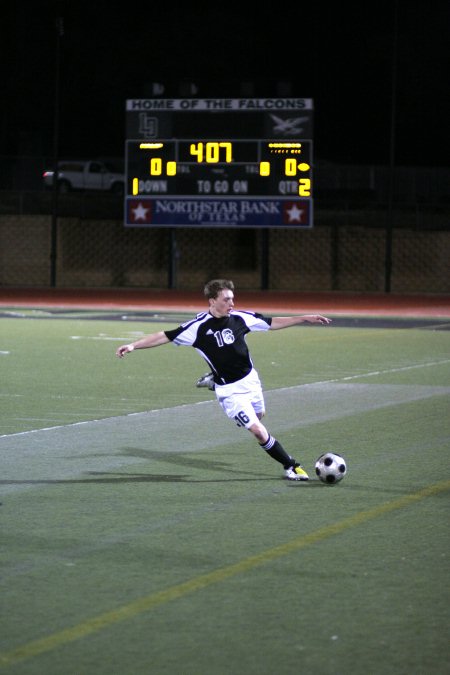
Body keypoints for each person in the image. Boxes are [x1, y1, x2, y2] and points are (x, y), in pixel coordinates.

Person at [116, 279, 332, 481]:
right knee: (257, 430)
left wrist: (304, 317)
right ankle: (291, 465)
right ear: (212, 301)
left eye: (232, 298)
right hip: (231, 391)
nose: (232, 302)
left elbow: (272, 322)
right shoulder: (197, 327)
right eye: (226, 299)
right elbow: (164, 335)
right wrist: (134, 345)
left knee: (259, 416)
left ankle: (213, 379)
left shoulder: (240, 318)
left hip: (251, 380)